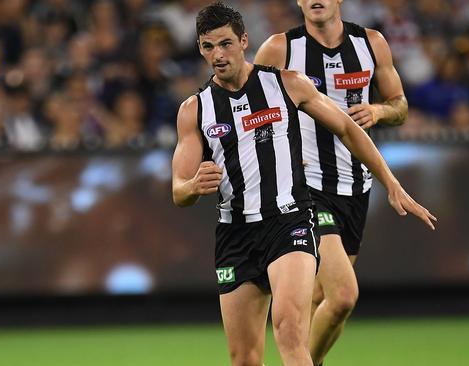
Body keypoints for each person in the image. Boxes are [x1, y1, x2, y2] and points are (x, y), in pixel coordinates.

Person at [172, 2, 435, 365]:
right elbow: (178, 190)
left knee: (293, 333)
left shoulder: (286, 83)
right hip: (236, 233)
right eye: (208, 47)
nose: (218, 55)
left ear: (244, 41)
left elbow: (346, 127)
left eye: (226, 44)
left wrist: (390, 181)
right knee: (245, 358)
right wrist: (192, 186)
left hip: (290, 220)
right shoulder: (194, 110)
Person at [254, 1, 410, 364]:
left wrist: (379, 110)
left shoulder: (372, 43)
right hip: (306, 188)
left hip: (355, 186)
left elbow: (400, 105)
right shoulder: (281, 49)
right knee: (342, 296)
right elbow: (254, 109)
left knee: (320, 297)